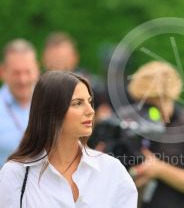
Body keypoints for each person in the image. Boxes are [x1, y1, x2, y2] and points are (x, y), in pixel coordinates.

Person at [0, 71, 137, 207]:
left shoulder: (112, 170)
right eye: (78, 103)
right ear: (51, 111)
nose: (90, 110)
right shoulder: (16, 173)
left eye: (90, 102)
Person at [119, 61, 184, 208]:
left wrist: (159, 170)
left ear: (170, 96)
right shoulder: (125, 119)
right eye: (143, 103)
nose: (148, 112)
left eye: (154, 105)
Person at [42, 32, 111, 119]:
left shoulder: (89, 85)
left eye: (63, 59)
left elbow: (104, 111)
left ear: (75, 58)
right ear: (44, 59)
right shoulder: (34, 86)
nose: (59, 65)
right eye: (54, 59)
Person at [0, 39, 39, 167]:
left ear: (37, 70)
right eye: (16, 73)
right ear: (2, 72)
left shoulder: (52, 103)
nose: (23, 80)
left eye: (27, 72)